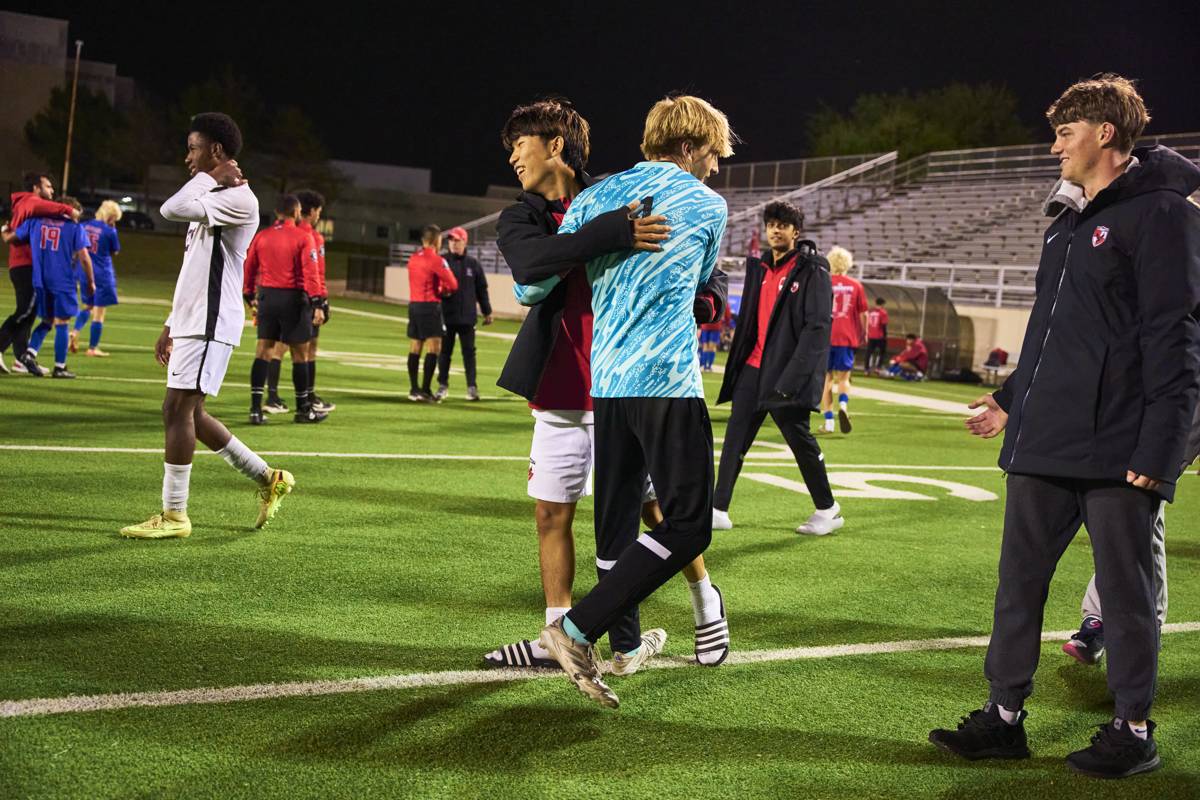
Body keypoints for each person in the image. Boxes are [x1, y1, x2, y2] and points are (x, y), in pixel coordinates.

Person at [929, 75, 1200, 780]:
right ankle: (1004, 718)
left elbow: (1176, 339)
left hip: (1118, 447)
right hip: (1045, 439)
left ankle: (1132, 729)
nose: (1054, 147)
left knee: (1127, 597)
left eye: (1064, 133)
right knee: (1017, 586)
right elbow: (1054, 337)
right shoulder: (1067, 222)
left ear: (1104, 134)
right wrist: (1010, 399)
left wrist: (1165, 447)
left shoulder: (1165, 214)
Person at [488, 98, 730, 674]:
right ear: (694, 148)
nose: (513, 158)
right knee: (644, 519)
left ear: (555, 145)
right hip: (622, 381)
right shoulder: (694, 205)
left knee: (634, 517)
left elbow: (532, 289)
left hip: (613, 381)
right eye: (715, 154)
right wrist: (610, 236)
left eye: (520, 144)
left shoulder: (607, 193)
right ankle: (572, 632)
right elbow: (530, 275)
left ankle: (682, 614)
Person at [121, 112, 294, 540]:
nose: (187, 158)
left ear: (216, 151)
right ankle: (268, 477)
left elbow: (170, 208)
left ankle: (175, 515)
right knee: (190, 413)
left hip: (212, 321)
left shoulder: (238, 198)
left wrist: (210, 175)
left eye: (194, 148)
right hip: (195, 320)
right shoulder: (218, 193)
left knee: (176, 410)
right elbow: (194, 268)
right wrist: (170, 322)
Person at [712, 201, 842, 536]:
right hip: (753, 370)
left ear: (796, 232)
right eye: (771, 224)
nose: (775, 230)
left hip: (784, 374)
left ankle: (828, 509)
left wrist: (795, 377)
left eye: (782, 225)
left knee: (799, 441)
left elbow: (817, 328)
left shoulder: (812, 268)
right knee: (735, 440)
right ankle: (718, 508)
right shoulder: (759, 267)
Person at [243, 194, 326, 425]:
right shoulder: (303, 237)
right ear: (297, 212)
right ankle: (303, 409)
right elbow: (310, 273)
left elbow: (249, 267)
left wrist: (250, 296)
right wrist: (318, 302)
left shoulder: (262, 236)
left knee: (263, 351)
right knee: (300, 354)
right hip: (293, 299)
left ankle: (255, 409)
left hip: (267, 297)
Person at [4, 196, 94, 379]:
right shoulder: (74, 227)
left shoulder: (34, 221)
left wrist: (5, 228)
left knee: (47, 321)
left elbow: (12, 238)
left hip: (40, 281)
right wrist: (91, 282)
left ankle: (29, 354)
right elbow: (84, 257)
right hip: (63, 281)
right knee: (62, 323)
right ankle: (60, 367)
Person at [0, 172, 76, 376]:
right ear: (36, 188)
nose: (52, 190)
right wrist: (69, 210)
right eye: (48, 186)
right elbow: (36, 208)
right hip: (25, 265)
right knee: (25, 311)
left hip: (24, 264)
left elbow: (11, 235)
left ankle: (21, 357)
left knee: (30, 313)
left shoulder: (26, 205)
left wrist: (5, 232)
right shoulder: (31, 201)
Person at [435, 226, 492, 401]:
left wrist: (487, 311)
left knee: (469, 353)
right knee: (445, 352)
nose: (453, 244)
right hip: (447, 316)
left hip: (467, 317)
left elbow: (482, 289)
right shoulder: (442, 261)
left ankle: (472, 387)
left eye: (457, 240)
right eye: (451, 240)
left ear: (465, 242)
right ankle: (442, 386)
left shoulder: (473, 264)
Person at [406, 225, 458, 402]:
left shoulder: (413, 258)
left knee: (415, 347)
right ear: (437, 240)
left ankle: (414, 389)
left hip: (414, 305)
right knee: (434, 348)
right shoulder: (437, 260)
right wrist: (443, 290)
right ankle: (426, 390)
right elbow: (452, 284)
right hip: (430, 306)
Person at [294, 189, 334, 414]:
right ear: (310, 212)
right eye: (318, 211)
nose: (320, 215)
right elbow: (316, 272)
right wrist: (322, 300)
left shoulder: (288, 232)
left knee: (273, 349)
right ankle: (308, 397)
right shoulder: (312, 237)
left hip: (282, 296)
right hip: (308, 298)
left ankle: (271, 397)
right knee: (308, 350)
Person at [820, 245, 867, 433]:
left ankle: (829, 422)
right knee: (844, 379)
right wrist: (864, 333)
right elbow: (863, 313)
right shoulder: (856, 285)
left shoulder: (824, 283)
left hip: (825, 336)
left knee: (826, 379)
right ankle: (844, 406)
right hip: (846, 337)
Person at [72, 200, 122, 357]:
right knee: (99, 312)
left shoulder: (84, 225)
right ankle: (92, 348)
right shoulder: (109, 230)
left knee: (87, 305)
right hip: (102, 274)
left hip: (84, 272)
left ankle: (74, 331)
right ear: (111, 216)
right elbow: (115, 251)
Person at [864, 297, 888, 374]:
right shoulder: (883, 312)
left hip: (871, 335)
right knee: (882, 352)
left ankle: (866, 369)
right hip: (879, 336)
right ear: (883, 304)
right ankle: (878, 368)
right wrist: (885, 335)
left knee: (869, 352)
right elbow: (884, 325)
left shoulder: (870, 311)